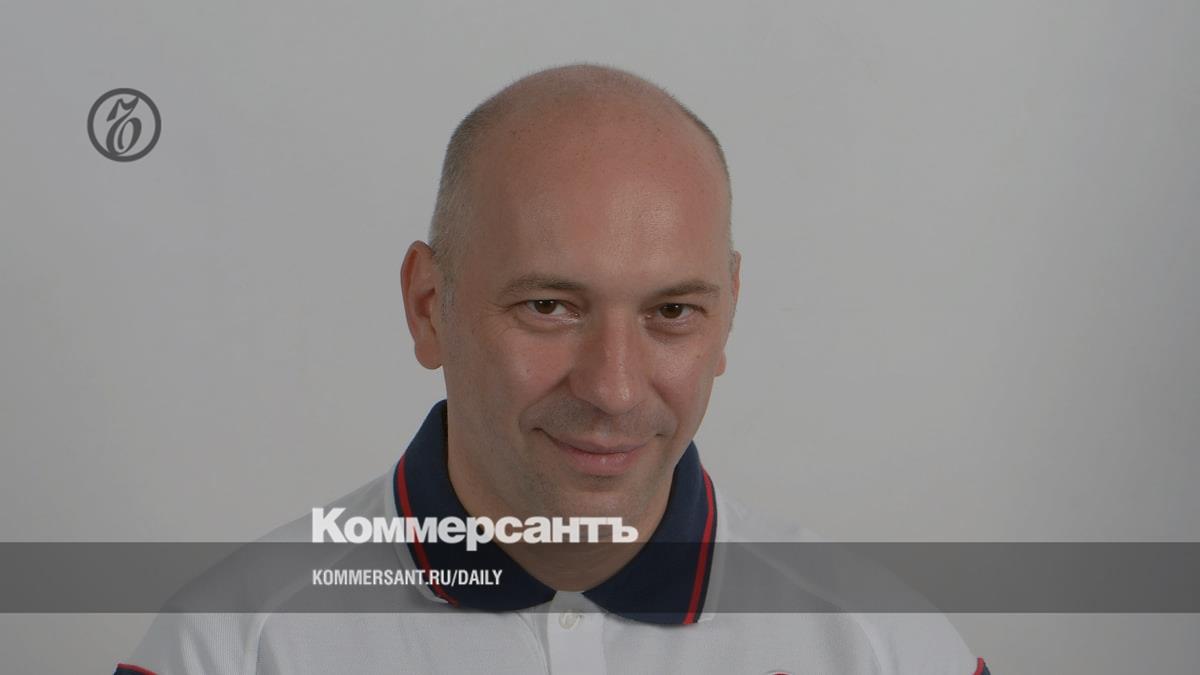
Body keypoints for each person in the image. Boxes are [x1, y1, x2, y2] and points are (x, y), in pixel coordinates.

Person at [114, 64, 991, 674]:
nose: (613, 387)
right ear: (429, 306)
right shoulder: (228, 648)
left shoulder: (890, 648)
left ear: (728, 313)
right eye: (549, 306)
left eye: (671, 313)